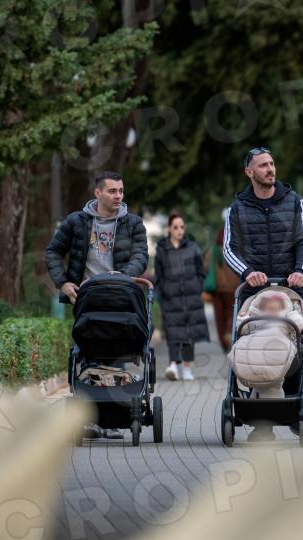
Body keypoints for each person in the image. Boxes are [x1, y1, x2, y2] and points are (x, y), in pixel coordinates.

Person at [44, 170, 148, 440]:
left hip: (121, 297)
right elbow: (53, 251)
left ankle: (112, 418)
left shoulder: (133, 223)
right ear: (97, 193)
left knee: (119, 353)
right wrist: (63, 284)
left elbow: (140, 255)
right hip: (87, 298)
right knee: (89, 353)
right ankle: (89, 419)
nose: (118, 196)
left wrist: (123, 276)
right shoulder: (76, 222)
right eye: (112, 191)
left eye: (121, 191)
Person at [223, 147, 303, 441]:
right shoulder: (237, 209)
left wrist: (301, 271)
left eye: (272, 163)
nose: (270, 169)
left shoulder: (294, 201)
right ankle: (261, 421)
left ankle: (294, 405)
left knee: (294, 344)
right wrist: (248, 272)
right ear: (249, 172)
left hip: (289, 288)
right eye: (263, 165)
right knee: (253, 346)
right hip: (254, 292)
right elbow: (229, 249)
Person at [154, 213, 210, 382]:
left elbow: (201, 271)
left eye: (182, 227)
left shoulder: (192, 247)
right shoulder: (162, 250)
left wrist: (198, 287)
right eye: (176, 227)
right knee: (172, 332)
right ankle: (172, 366)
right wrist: (164, 292)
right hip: (171, 299)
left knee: (188, 333)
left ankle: (186, 368)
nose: (179, 230)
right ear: (169, 229)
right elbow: (159, 276)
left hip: (191, 298)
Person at [229, 289, 303, 399]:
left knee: (275, 381)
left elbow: (298, 324)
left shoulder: (286, 320)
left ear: (283, 309)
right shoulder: (254, 319)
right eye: (269, 309)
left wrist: (293, 314)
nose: (272, 312)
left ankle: (271, 401)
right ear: (261, 309)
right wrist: (242, 318)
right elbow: (243, 329)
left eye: (276, 309)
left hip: (278, 354)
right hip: (255, 354)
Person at [206, 209, 240, 351]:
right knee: (232, 313)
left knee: (219, 316)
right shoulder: (234, 250)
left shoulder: (213, 250)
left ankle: (223, 342)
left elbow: (206, 266)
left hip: (217, 289)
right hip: (233, 288)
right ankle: (229, 334)